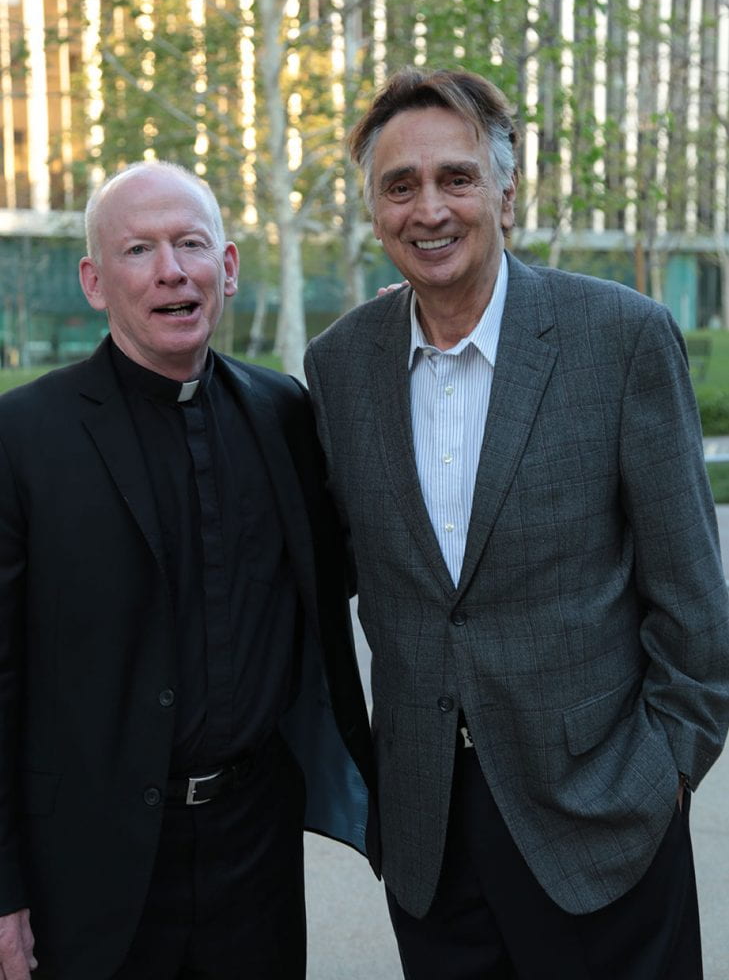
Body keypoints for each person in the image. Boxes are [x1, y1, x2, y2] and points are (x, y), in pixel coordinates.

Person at [304, 67, 729, 979]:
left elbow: (695, 607)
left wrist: (659, 779)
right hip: (429, 839)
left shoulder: (618, 338)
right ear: (374, 210)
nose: (429, 209)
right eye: (399, 185)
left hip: (603, 826)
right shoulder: (337, 368)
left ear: (505, 189)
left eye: (455, 178)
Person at [0, 161, 375, 980]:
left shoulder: (285, 415)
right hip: (88, 868)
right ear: (95, 282)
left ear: (228, 268)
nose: (171, 270)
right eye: (139, 250)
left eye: (190, 244)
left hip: (255, 854)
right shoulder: (21, 439)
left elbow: (342, 573)